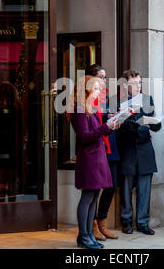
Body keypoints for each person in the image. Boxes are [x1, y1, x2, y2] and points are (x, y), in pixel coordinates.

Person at [70, 75, 120, 249]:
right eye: (97, 88)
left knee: (94, 198)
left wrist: (111, 127)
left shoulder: (89, 109)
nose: (100, 92)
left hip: (96, 157)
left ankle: (88, 235)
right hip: (89, 158)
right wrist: (106, 127)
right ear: (87, 89)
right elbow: (84, 137)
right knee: (87, 197)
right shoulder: (79, 109)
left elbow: (97, 133)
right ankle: (84, 236)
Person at [116, 69, 161, 235]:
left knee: (144, 188)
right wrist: (129, 125)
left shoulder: (147, 99)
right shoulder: (117, 101)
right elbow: (114, 129)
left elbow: (155, 124)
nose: (138, 86)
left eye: (140, 83)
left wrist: (153, 123)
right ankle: (126, 221)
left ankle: (143, 222)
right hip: (127, 149)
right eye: (134, 83)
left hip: (144, 149)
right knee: (126, 187)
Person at [85, 64, 120, 241]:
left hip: (109, 144)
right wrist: (107, 121)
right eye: (101, 77)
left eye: (105, 77)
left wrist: (114, 116)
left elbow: (102, 118)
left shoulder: (106, 96)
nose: (104, 80)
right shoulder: (87, 98)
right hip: (97, 146)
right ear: (90, 78)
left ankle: (102, 223)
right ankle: (91, 225)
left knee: (111, 186)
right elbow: (92, 124)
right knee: (95, 189)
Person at [0, 82, 23, 203]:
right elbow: (22, 129)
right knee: (12, 179)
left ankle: (0, 205)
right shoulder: (17, 108)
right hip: (13, 147)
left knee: (1, 180)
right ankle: (12, 206)